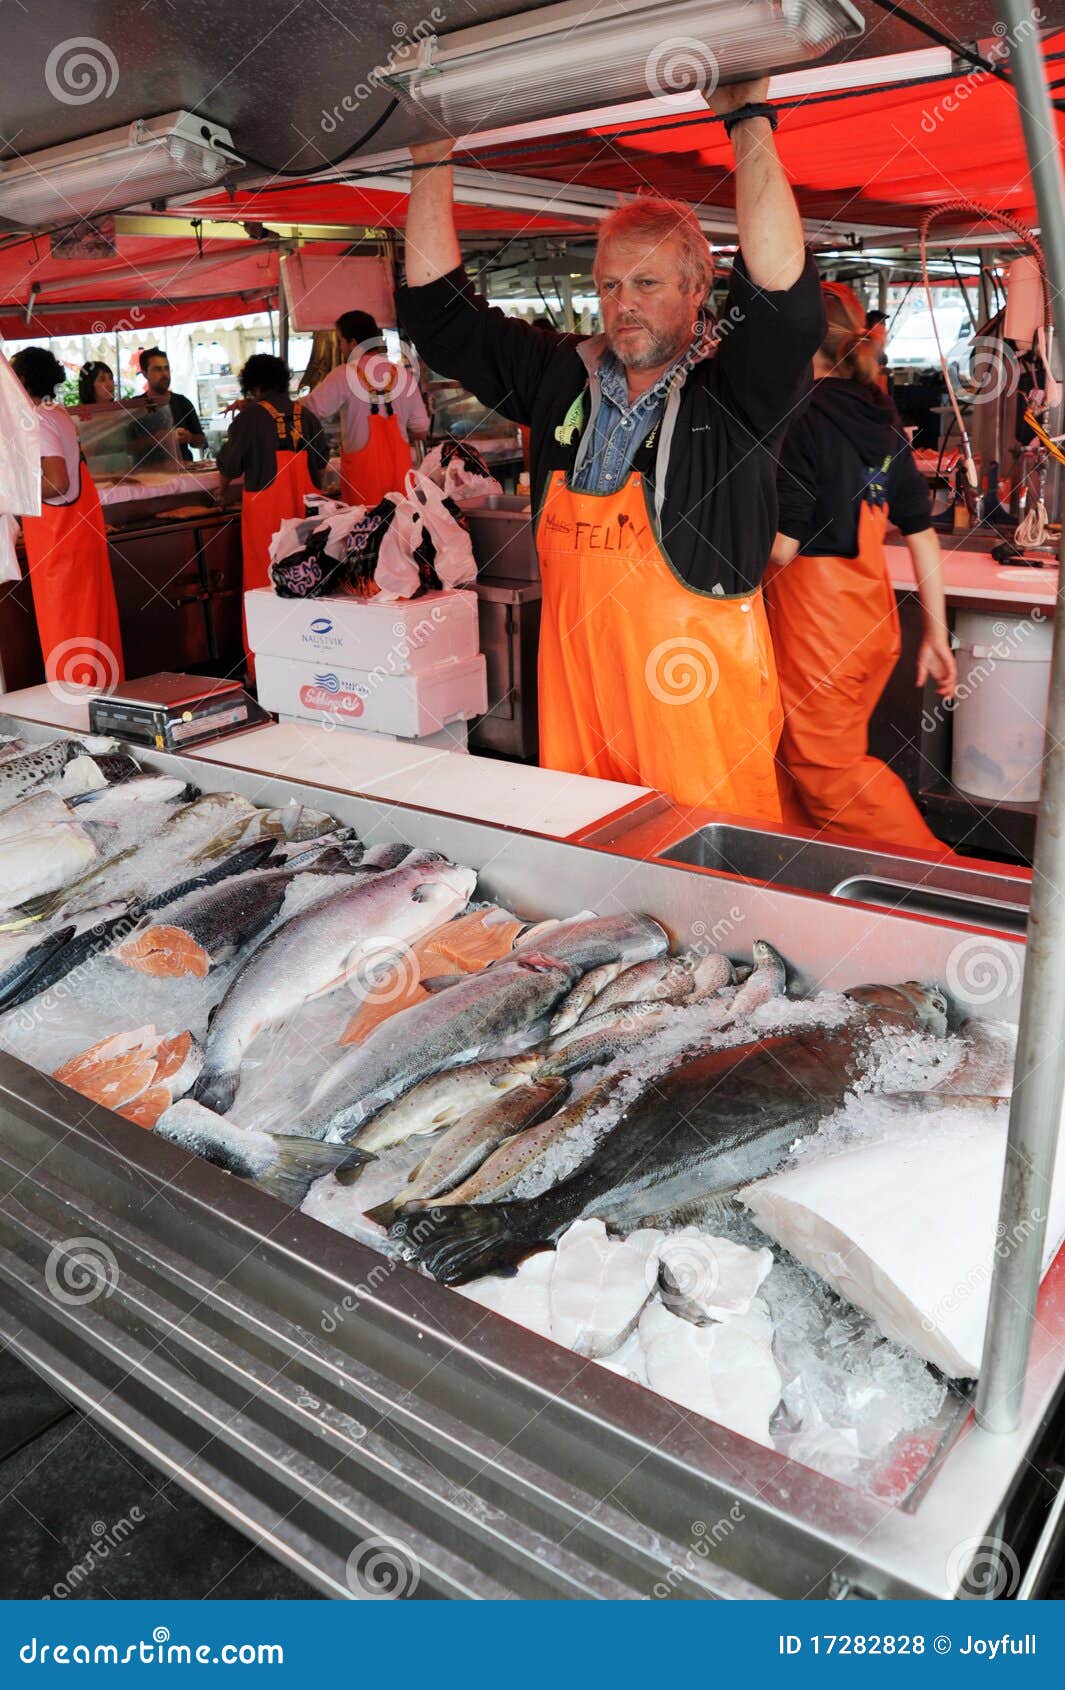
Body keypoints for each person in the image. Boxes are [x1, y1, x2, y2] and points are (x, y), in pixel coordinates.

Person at [398, 79, 825, 818]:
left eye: (647, 282)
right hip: (576, 688)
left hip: (696, 699)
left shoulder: (735, 394)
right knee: (591, 869)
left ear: (697, 288)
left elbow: (784, 304)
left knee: (707, 887)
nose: (622, 302)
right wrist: (433, 156)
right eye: (608, 285)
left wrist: (747, 119)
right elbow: (441, 318)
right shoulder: (558, 373)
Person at [765, 282, 957, 853]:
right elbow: (921, 531)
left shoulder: (798, 417)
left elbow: (782, 549)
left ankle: (944, 885)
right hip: (869, 626)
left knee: (828, 776)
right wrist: (937, 635)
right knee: (792, 761)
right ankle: (811, 888)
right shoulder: (880, 419)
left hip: (821, 631)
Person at [11, 347, 125, 689]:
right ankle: (104, 700)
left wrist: (12, 494)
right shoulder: (55, 413)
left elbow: (57, 482)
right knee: (93, 623)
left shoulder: (39, 418)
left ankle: (80, 713)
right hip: (73, 537)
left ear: (23, 378)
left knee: (70, 628)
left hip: (61, 545)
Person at [216, 352, 329, 674]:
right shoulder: (305, 415)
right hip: (307, 517)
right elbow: (321, 461)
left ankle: (264, 670)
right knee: (308, 584)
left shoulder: (250, 417)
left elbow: (229, 463)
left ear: (253, 385)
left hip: (266, 522)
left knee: (263, 589)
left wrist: (222, 492)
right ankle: (312, 661)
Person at [305, 310, 429, 508]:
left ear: (353, 343)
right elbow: (421, 431)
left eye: (341, 341)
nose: (341, 347)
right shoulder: (404, 376)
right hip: (401, 488)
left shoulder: (344, 374)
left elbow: (310, 409)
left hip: (362, 488)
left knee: (366, 535)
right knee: (402, 535)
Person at [138, 347, 206, 460]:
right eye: (157, 369)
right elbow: (128, 448)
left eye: (167, 368)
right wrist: (159, 439)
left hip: (183, 472)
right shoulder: (136, 406)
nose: (164, 374)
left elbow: (201, 441)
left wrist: (190, 437)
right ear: (145, 373)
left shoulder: (182, 402)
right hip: (148, 474)